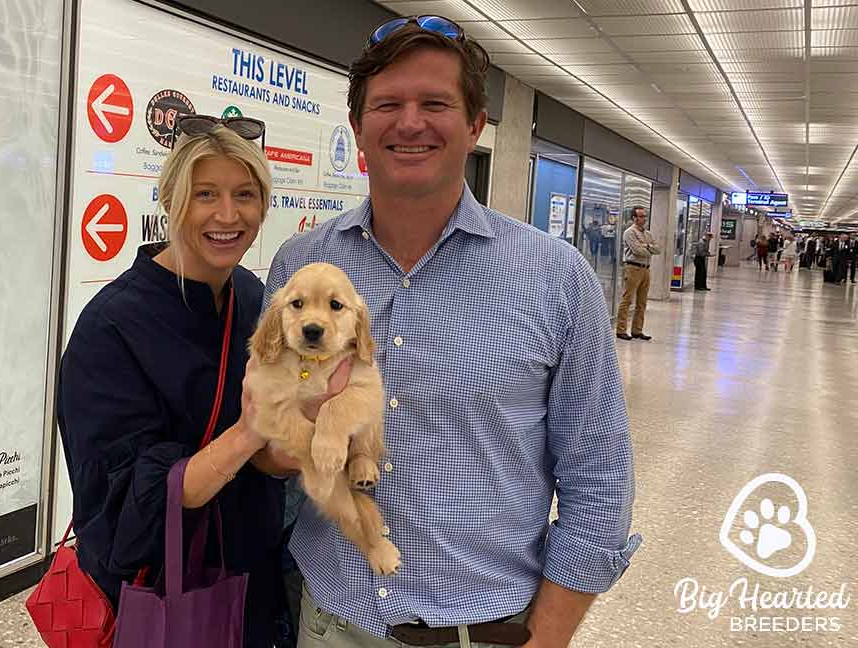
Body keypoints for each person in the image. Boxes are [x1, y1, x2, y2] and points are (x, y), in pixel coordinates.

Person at [258, 16, 638, 648]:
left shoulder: (555, 277)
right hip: (331, 620)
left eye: (435, 103)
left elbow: (598, 476)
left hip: (486, 628)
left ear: (474, 125)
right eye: (387, 105)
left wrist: (545, 638)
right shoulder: (301, 267)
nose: (410, 123)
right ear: (358, 129)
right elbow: (269, 445)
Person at [56, 120, 288, 648]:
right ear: (169, 199)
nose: (228, 216)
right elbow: (128, 506)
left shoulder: (254, 299)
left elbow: (272, 455)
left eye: (245, 195)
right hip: (162, 601)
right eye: (205, 194)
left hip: (255, 586)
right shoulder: (111, 328)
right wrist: (249, 433)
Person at [615, 206, 660, 340]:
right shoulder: (629, 232)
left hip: (646, 269)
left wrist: (646, 245)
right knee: (627, 299)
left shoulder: (648, 234)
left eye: (645, 216)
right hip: (633, 268)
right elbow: (637, 251)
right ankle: (621, 329)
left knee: (642, 302)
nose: (643, 219)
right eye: (640, 216)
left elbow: (658, 249)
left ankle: (637, 330)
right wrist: (648, 248)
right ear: (634, 218)